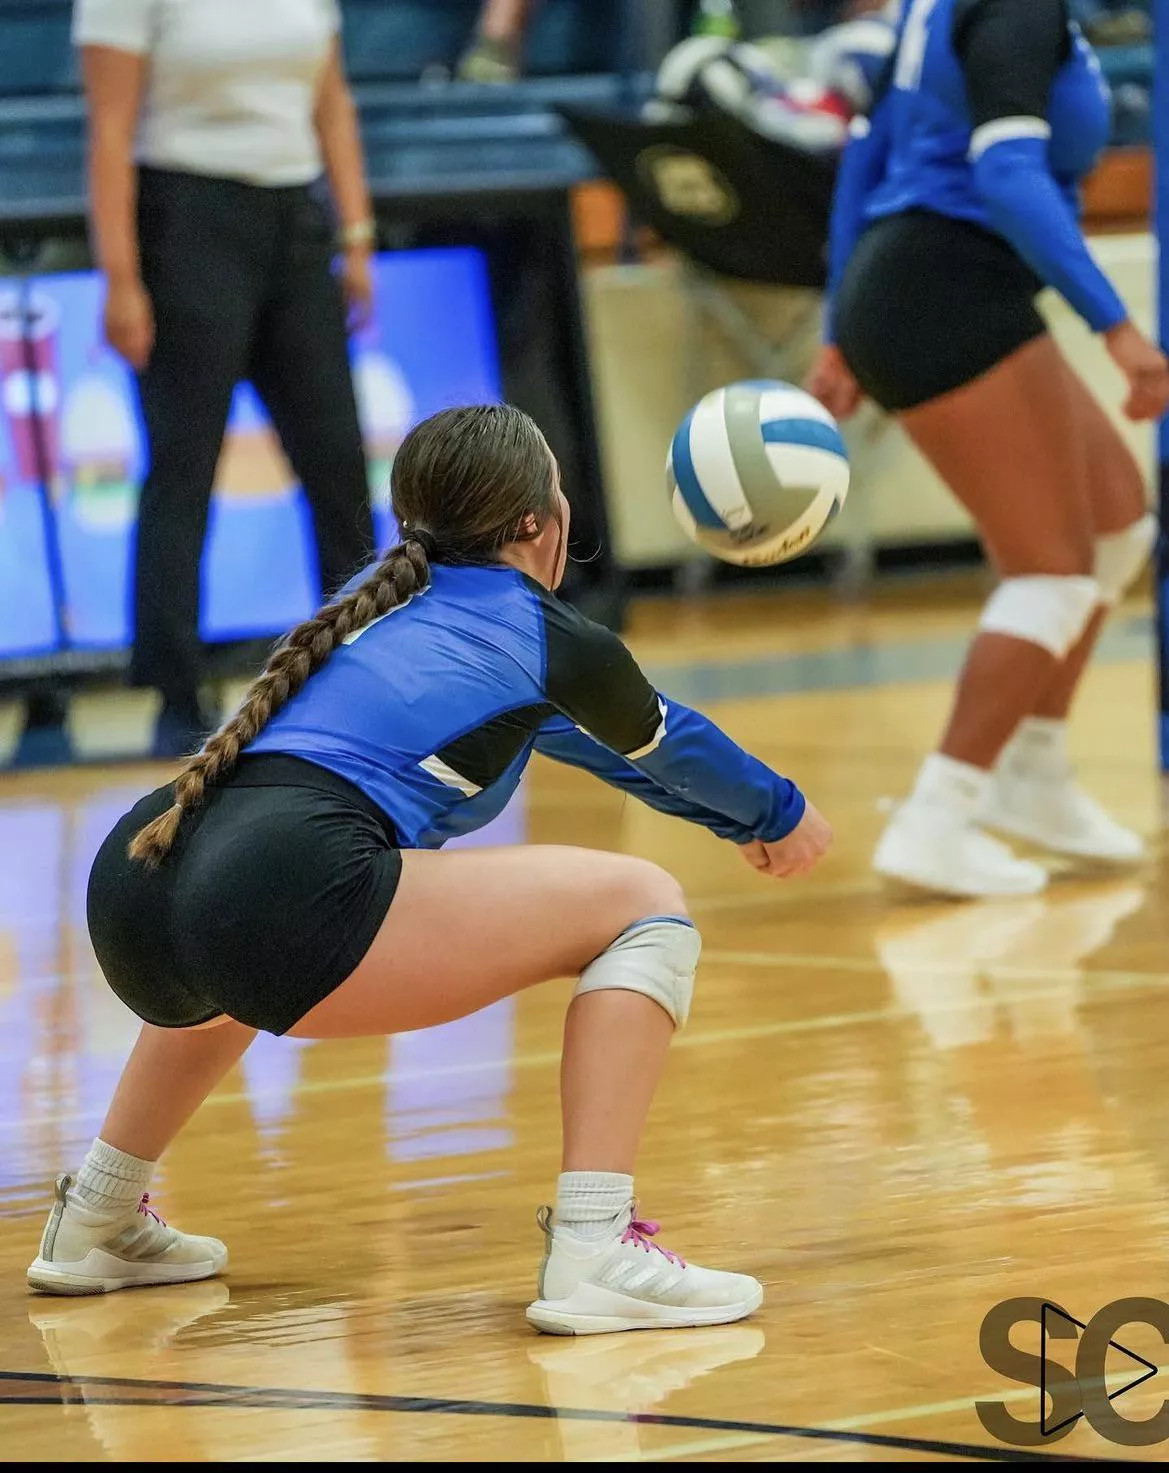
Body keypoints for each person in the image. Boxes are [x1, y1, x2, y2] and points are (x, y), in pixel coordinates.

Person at [27, 405, 833, 1335]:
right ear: (537, 522)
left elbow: (611, 751)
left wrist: (739, 824)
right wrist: (781, 812)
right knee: (644, 905)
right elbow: (668, 739)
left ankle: (96, 1214)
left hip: (141, 881)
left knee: (228, 952)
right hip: (270, 897)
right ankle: (594, 1248)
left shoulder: (384, 600)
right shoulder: (544, 632)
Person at [805, 0, 1169, 899]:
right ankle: (941, 810)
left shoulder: (932, 6)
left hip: (920, 283)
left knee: (1119, 523)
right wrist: (1116, 327)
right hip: (945, 289)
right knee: (1050, 570)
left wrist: (837, 326)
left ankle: (1033, 769)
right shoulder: (1014, 6)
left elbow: (867, 153)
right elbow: (1005, 171)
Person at [74, 0, 377, 758]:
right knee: (183, 467)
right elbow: (109, 129)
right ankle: (177, 692)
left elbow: (332, 102)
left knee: (337, 460)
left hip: (295, 222)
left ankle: (361, 666)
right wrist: (120, 278)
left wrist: (357, 232)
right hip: (186, 218)